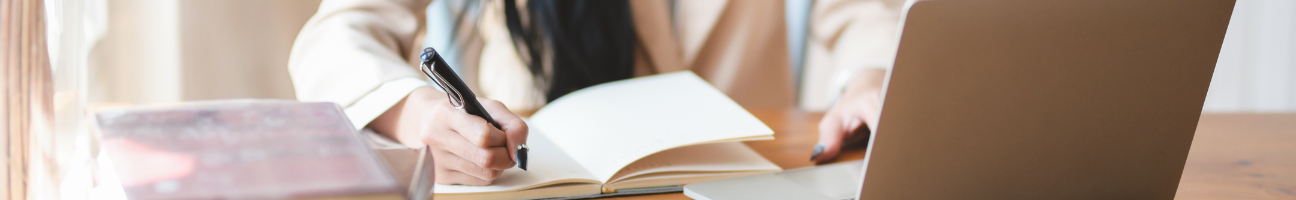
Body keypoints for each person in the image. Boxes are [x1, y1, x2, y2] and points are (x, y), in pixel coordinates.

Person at [288, 0, 903, 185]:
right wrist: (418, 111)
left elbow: (859, 13)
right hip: (548, 181)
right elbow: (337, 34)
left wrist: (869, 80)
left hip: (741, 183)